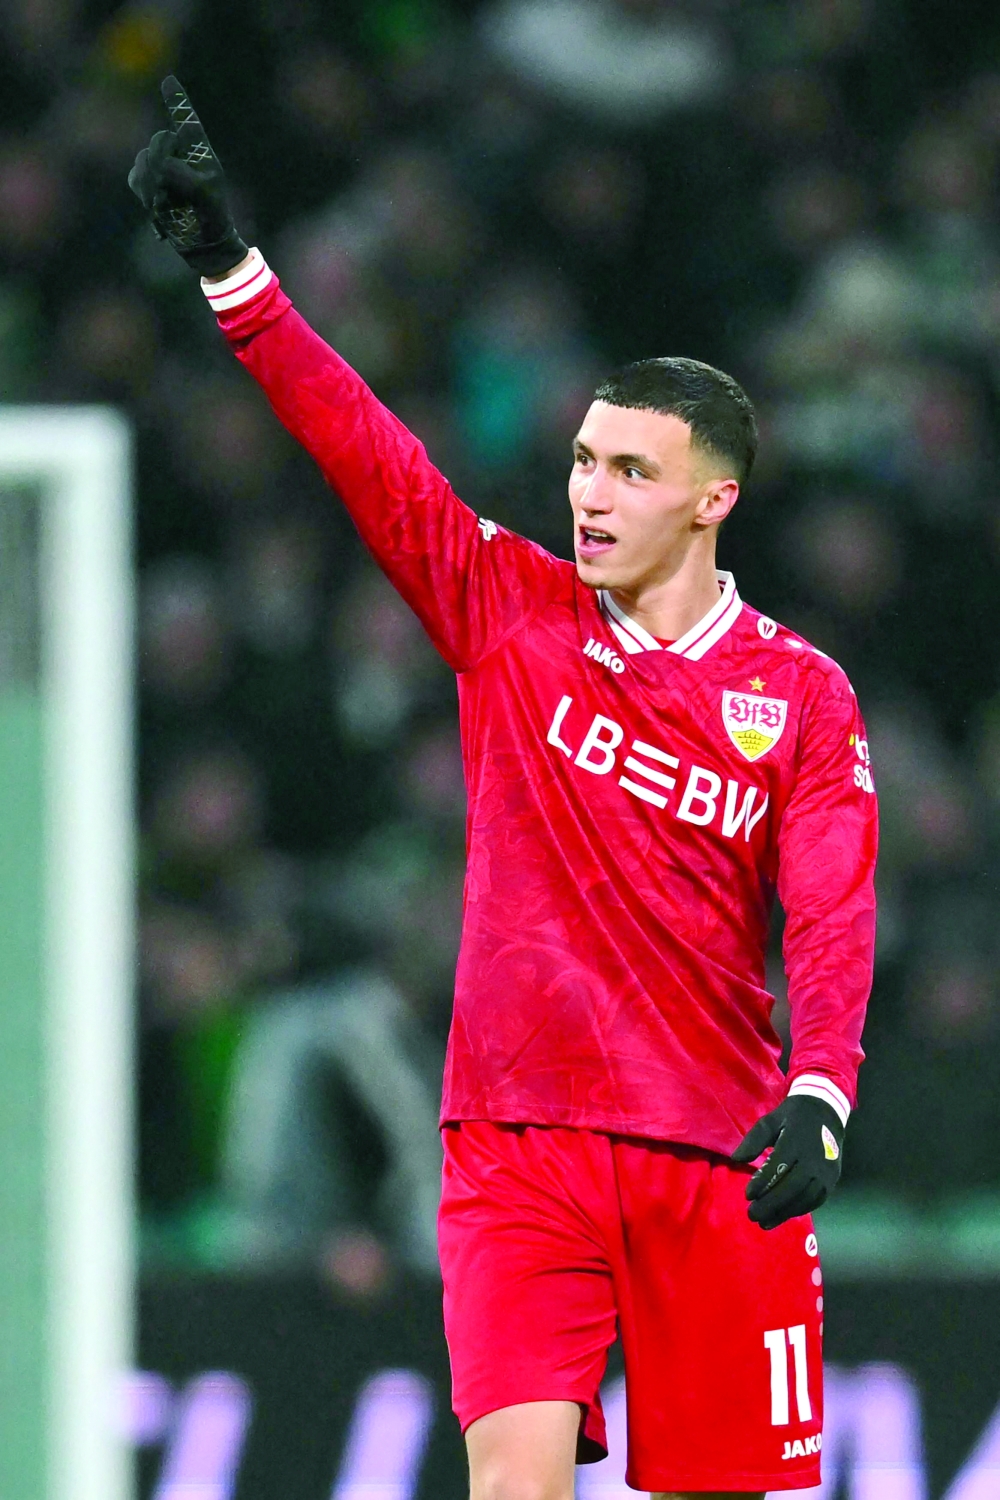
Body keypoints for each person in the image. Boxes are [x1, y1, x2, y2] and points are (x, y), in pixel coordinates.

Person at [129, 79, 878, 1500]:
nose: (589, 493)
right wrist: (234, 273)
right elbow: (370, 456)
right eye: (584, 460)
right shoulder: (509, 612)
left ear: (714, 499)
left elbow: (833, 906)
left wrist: (822, 1088)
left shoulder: (801, 694)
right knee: (514, 1486)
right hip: (518, 1142)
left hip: (717, 1147)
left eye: (632, 471)